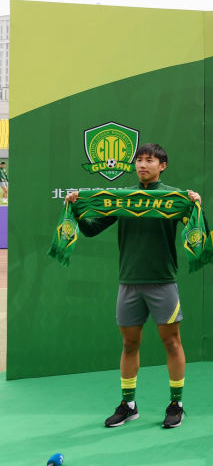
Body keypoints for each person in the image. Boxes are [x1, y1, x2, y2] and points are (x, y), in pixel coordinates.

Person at [67, 143, 200, 429]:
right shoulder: (122, 198)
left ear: (162, 166)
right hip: (128, 282)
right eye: (139, 160)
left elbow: (196, 231)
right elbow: (91, 229)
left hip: (163, 281)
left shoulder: (175, 197)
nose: (142, 165)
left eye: (149, 160)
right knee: (129, 343)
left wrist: (195, 205)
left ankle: (176, 404)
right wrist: (76, 209)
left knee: (172, 342)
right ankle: (128, 405)